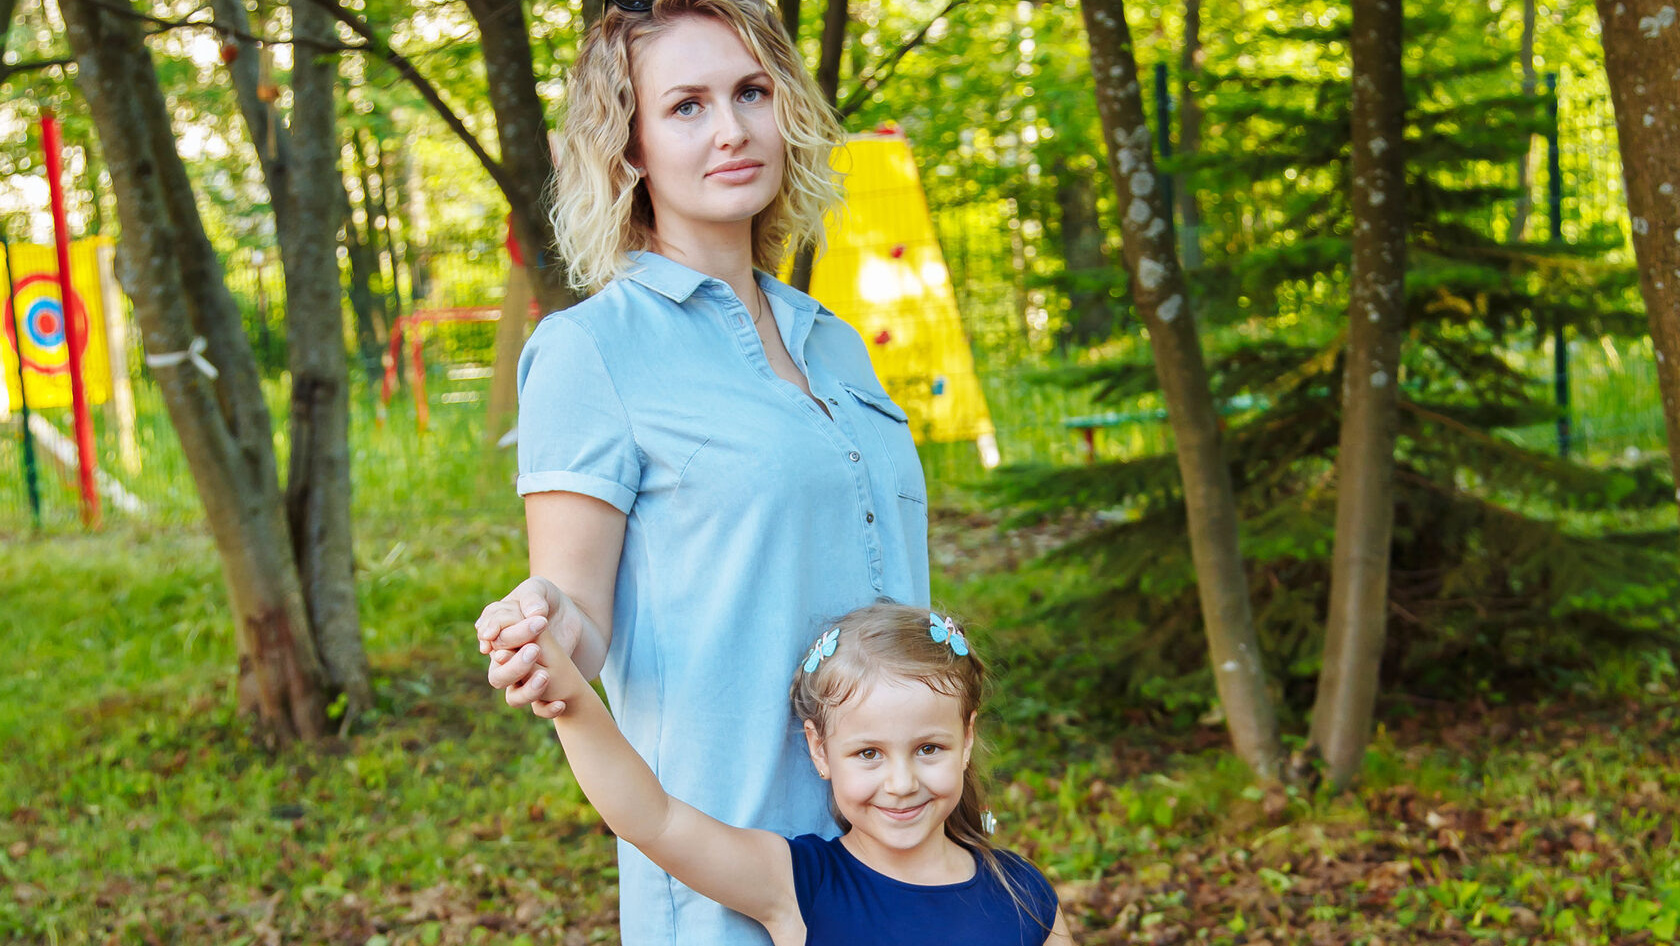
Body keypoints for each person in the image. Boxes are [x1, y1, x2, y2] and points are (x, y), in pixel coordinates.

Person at [472, 1, 930, 943]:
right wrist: (540, 623)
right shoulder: (587, 353)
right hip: (733, 876)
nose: (731, 130)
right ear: (630, 146)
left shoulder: (836, 343)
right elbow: (578, 616)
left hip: (901, 851)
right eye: (685, 106)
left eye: (751, 93)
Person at [510, 602, 1075, 945]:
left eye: (928, 748)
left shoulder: (1022, 893)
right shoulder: (798, 883)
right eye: (869, 754)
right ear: (820, 750)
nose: (902, 782)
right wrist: (570, 699)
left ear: (967, 739)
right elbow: (651, 821)